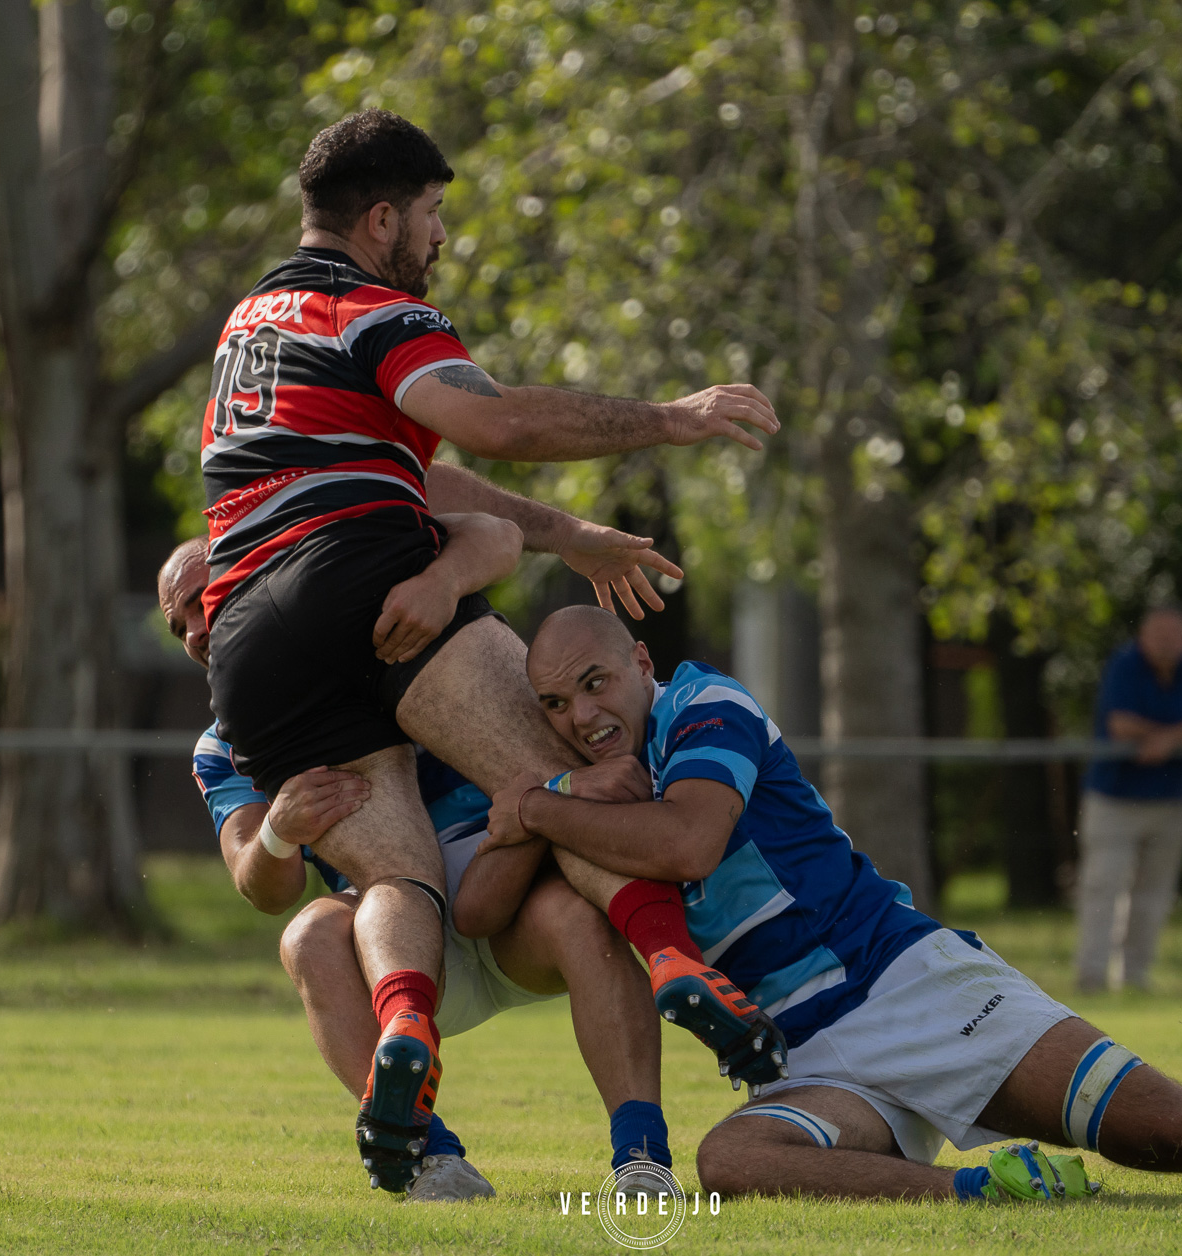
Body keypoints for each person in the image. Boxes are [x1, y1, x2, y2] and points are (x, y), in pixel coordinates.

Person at [197, 108, 784, 1190]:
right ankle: (672, 961)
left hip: (247, 639)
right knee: (572, 779)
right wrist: (671, 417)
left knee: (398, 876)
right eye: (430, 214)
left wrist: (570, 534)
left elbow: (416, 470)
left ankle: (405, 1026)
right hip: (361, 571)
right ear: (382, 219)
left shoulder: (249, 326)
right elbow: (496, 423)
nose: (438, 237)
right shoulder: (374, 307)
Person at [477, 606, 1182, 1202]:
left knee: (1170, 1130)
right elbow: (482, 907)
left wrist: (539, 805)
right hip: (808, 1055)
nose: (582, 713)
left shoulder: (706, 702)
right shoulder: (587, 790)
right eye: (556, 704)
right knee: (732, 1162)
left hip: (910, 987)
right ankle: (987, 1191)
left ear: (642, 663)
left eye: (596, 683)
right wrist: (536, 806)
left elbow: (689, 840)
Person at [162, 535, 678, 1202]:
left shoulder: (403, 640)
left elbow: (489, 533)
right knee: (308, 935)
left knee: (575, 914)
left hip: (516, 907)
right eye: (178, 625)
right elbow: (264, 887)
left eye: (202, 601)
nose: (196, 631)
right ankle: (433, 1160)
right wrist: (279, 830)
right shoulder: (222, 747)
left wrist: (457, 576)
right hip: (403, 946)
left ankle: (642, 1159)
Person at [1074, 606, 1182, 993]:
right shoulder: (1124, 664)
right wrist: (1170, 736)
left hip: (1171, 800)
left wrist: (1167, 740)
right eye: (1159, 636)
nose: (1166, 644)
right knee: (1101, 888)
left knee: (1154, 894)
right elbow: (1120, 724)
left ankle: (1135, 977)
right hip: (1113, 799)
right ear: (1143, 637)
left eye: (1174, 636)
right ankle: (1091, 977)